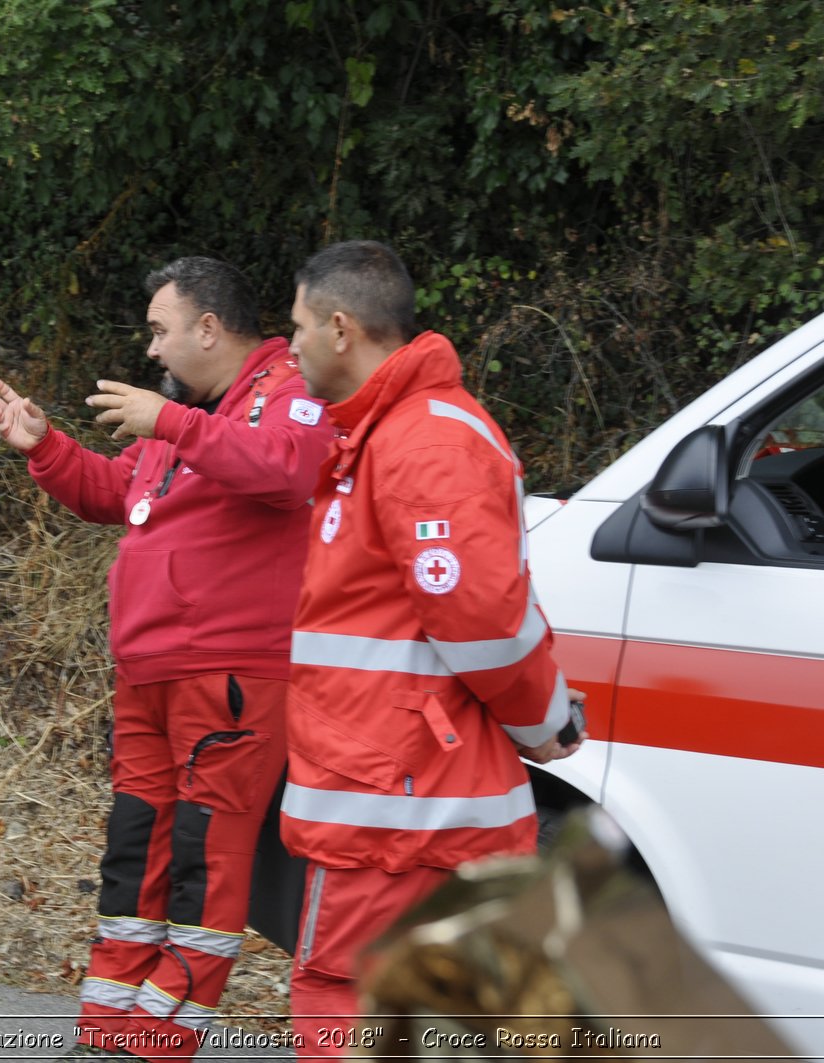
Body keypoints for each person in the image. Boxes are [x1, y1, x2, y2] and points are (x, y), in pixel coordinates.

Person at [0, 256, 335, 1060]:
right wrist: (46, 449)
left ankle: (157, 1039)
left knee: (204, 855)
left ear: (208, 327)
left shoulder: (289, 389)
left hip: (231, 673)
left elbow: (286, 471)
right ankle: (108, 1026)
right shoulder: (192, 409)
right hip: (149, 668)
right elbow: (122, 493)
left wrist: (170, 423)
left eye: (159, 330)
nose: (151, 350)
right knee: (136, 846)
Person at [279, 239, 585, 1058]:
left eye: (299, 324)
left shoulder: (422, 443)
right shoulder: (388, 435)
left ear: (341, 327)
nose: (291, 344)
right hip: (387, 794)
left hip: (398, 808)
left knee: (355, 1006)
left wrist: (543, 721)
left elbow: (483, 621)